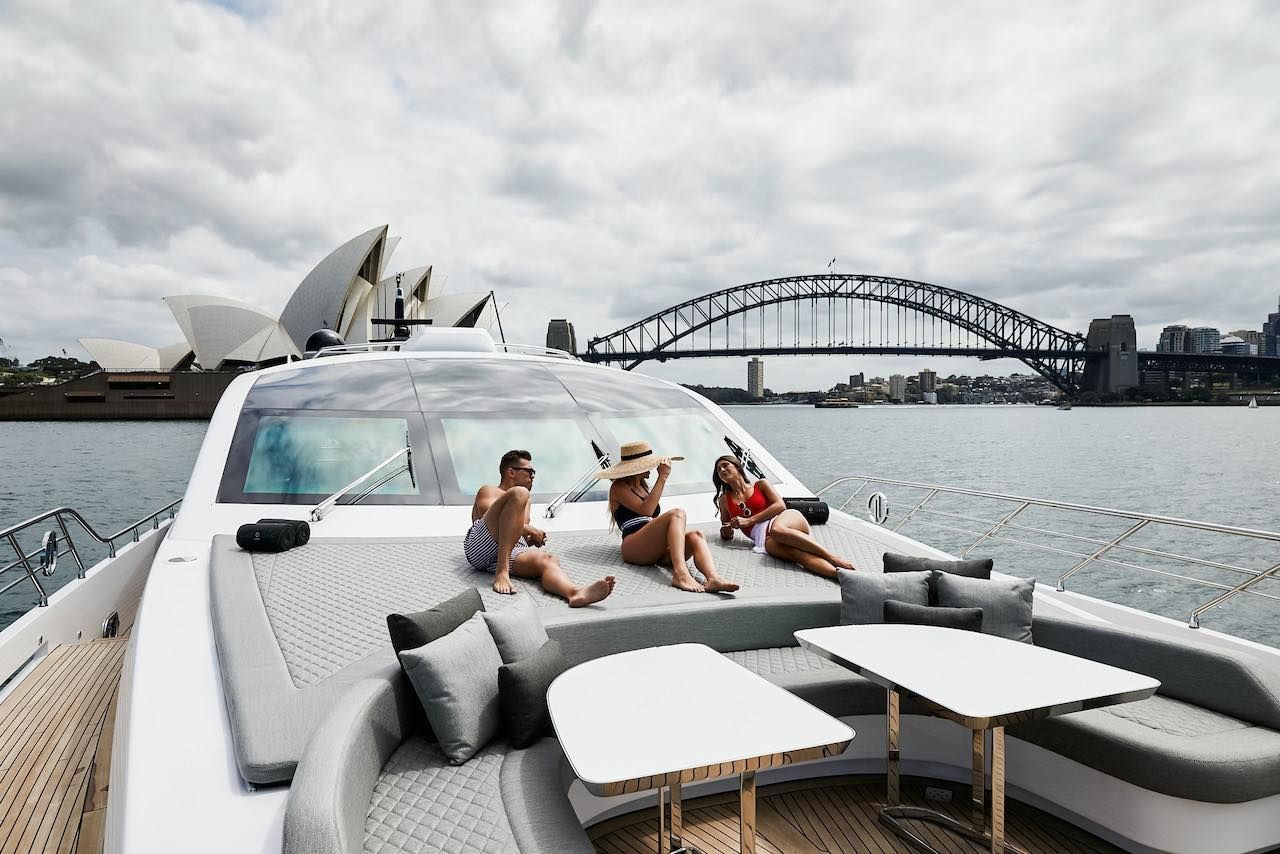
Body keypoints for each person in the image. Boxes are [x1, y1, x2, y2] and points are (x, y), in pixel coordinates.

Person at [466, 449, 615, 606]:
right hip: (481, 546)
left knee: (548, 559)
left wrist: (530, 539)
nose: (533, 476)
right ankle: (502, 572)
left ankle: (574, 593)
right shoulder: (489, 490)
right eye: (530, 472)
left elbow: (513, 530)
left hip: (511, 549)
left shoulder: (526, 501)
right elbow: (490, 516)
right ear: (511, 472)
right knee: (520, 493)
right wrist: (529, 529)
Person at [598, 441, 740, 594]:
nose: (653, 467)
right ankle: (680, 574)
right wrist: (663, 477)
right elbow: (647, 510)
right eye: (649, 464)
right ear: (638, 467)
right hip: (633, 547)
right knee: (677, 513)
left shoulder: (643, 486)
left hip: (654, 549)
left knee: (697, 535)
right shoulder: (619, 488)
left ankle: (713, 578)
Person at [712, 454, 854, 579]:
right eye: (719, 470)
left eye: (725, 465)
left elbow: (780, 505)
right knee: (799, 556)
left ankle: (832, 557)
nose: (722, 470)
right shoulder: (724, 500)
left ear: (737, 467)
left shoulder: (760, 485)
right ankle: (843, 576)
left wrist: (749, 520)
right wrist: (726, 532)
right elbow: (726, 529)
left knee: (777, 530)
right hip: (763, 539)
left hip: (785, 520)